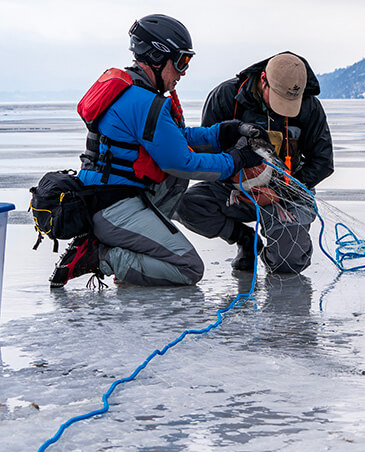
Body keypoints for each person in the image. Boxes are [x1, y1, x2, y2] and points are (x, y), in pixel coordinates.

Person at [50, 14, 265, 288]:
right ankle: (100, 256)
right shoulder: (144, 102)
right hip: (113, 208)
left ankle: (126, 248)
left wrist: (224, 132)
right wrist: (235, 160)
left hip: (105, 199)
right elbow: (183, 162)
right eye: (180, 62)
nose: (183, 72)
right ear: (156, 56)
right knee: (188, 268)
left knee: (174, 173)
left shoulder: (133, 90)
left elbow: (174, 138)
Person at [176, 52, 334, 274]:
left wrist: (280, 193)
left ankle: (274, 254)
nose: (283, 108)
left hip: (287, 195)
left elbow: (323, 162)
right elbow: (208, 153)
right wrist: (235, 182)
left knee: (289, 262)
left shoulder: (310, 106)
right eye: (279, 98)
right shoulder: (225, 96)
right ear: (263, 80)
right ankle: (245, 239)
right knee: (183, 204)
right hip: (233, 190)